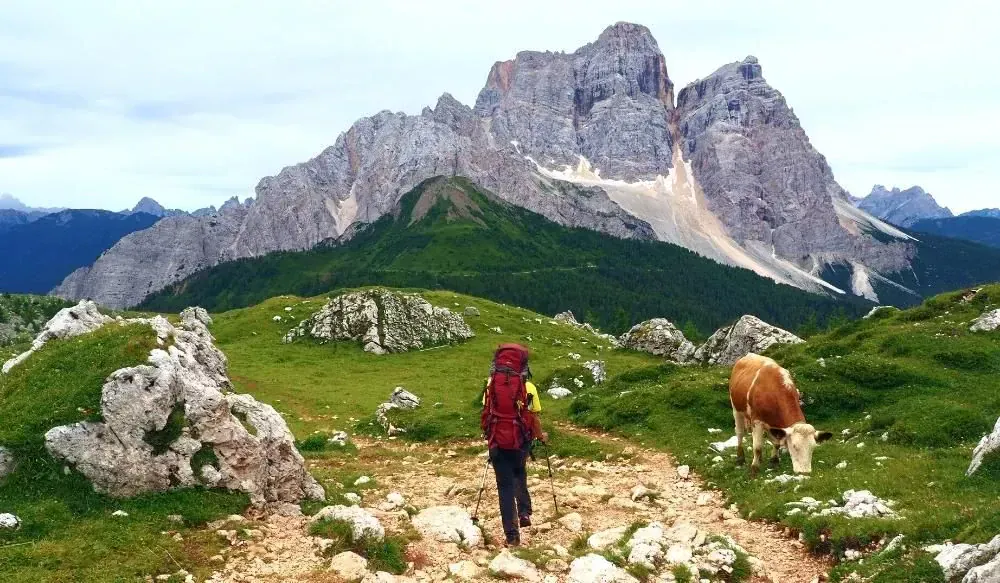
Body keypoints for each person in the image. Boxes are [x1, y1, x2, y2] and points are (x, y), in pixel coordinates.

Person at [481, 343, 547, 547]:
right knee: (520, 473)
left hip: (497, 442)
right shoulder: (529, 387)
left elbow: (487, 411)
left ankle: (512, 536)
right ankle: (524, 512)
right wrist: (541, 436)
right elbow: (534, 416)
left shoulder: (491, 384)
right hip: (520, 442)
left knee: (504, 487)